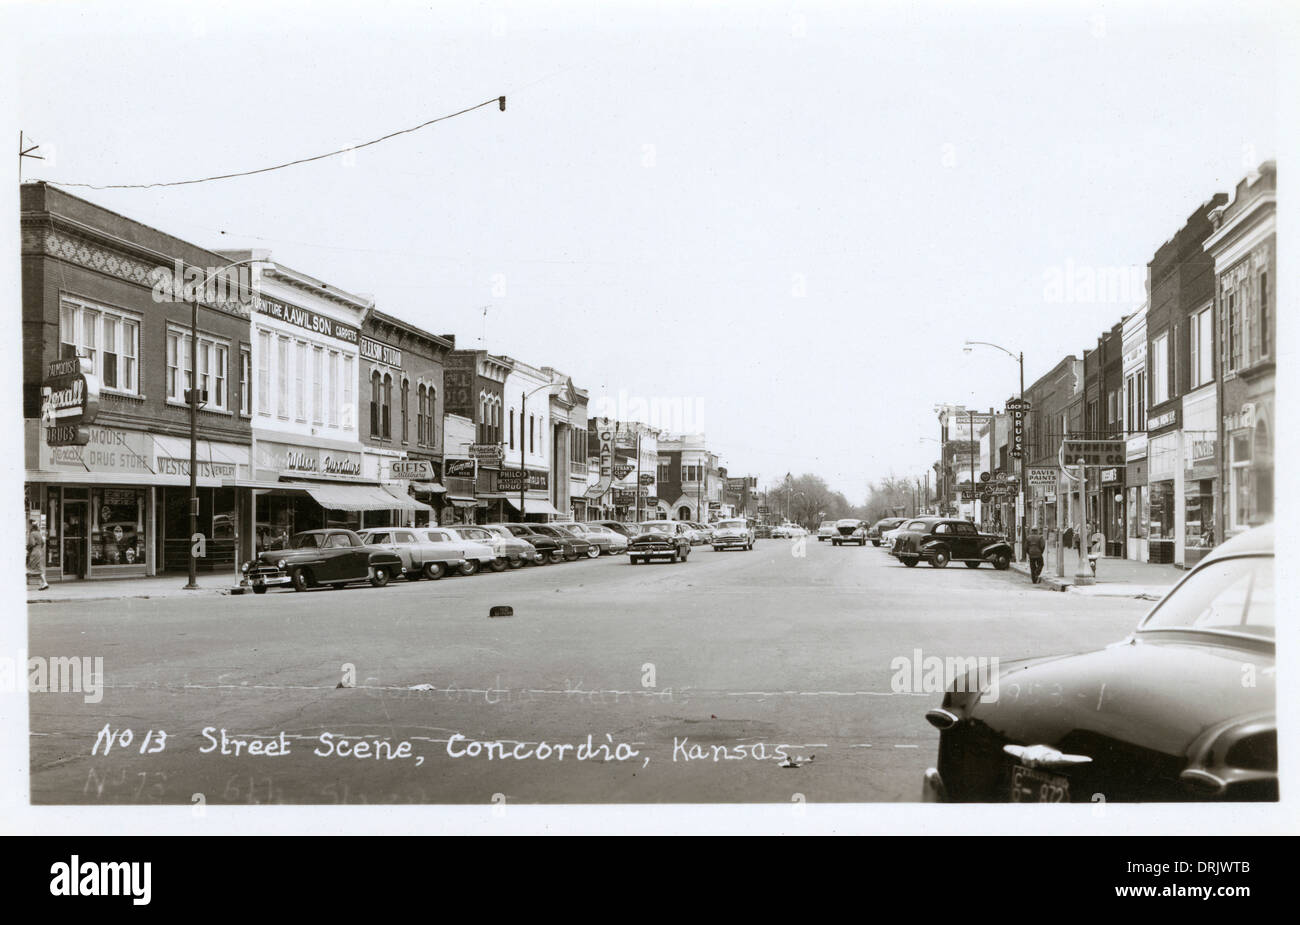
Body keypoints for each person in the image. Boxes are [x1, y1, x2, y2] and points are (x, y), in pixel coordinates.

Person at [27, 518, 49, 591]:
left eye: (29, 525)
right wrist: (39, 547)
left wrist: (27, 547)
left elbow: (31, 543)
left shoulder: (32, 533)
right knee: (38, 568)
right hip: (39, 552)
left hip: (34, 552)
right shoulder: (39, 533)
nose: (28, 526)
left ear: (31, 526)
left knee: (29, 568)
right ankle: (44, 583)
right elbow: (43, 542)